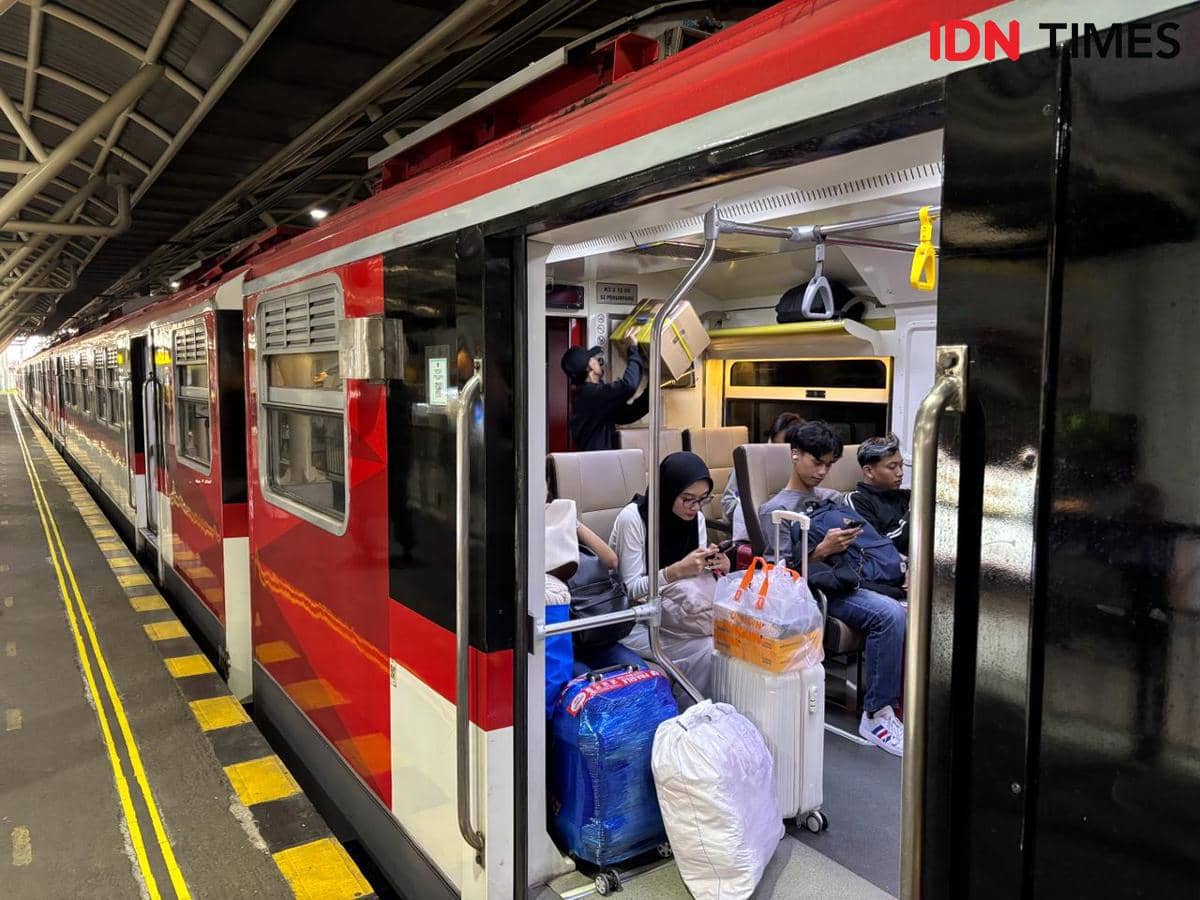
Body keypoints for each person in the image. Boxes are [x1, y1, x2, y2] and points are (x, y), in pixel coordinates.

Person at [758, 421, 906, 756]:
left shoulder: (833, 499)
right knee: (889, 614)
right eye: (817, 462)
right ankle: (876, 714)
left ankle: (900, 703)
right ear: (795, 455)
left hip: (850, 577)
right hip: (814, 591)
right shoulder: (776, 510)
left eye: (829, 464)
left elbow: (867, 544)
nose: (823, 472)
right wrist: (821, 550)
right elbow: (780, 575)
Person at [609, 451, 726, 695]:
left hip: (676, 614)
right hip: (632, 619)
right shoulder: (633, 519)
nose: (695, 507)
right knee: (709, 649)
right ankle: (690, 714)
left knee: (726, 642)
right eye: (687, 499)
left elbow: (695, 581)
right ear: (668, 492)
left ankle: (700, 711)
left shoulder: (697, 519)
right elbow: (631, 590)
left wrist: (717, 566)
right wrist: (674, 571)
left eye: (702, 499)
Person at [722, 412, 803, 542]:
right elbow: (728, 502)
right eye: (773, 442)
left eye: (782, 447)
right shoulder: (749, 464)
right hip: (750, 535)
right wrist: (751, 511)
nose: (774, 449)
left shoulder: (801, 468)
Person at [560, 336, 650, 451]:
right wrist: (632, 348)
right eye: (594, 358)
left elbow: (626, 414)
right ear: (590, 366)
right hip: (597, 464)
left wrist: (650, 393)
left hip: (600, 462)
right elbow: (629, 385)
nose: (597, 361)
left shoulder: (588, 396)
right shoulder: (591, 395)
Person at [846, 433, 910, 555]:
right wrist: (913, 513)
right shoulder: (857, 501)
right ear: (869, 471)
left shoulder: (906, 496)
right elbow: (879, 546)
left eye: (901, 465)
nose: (900, 473)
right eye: (892, 467)